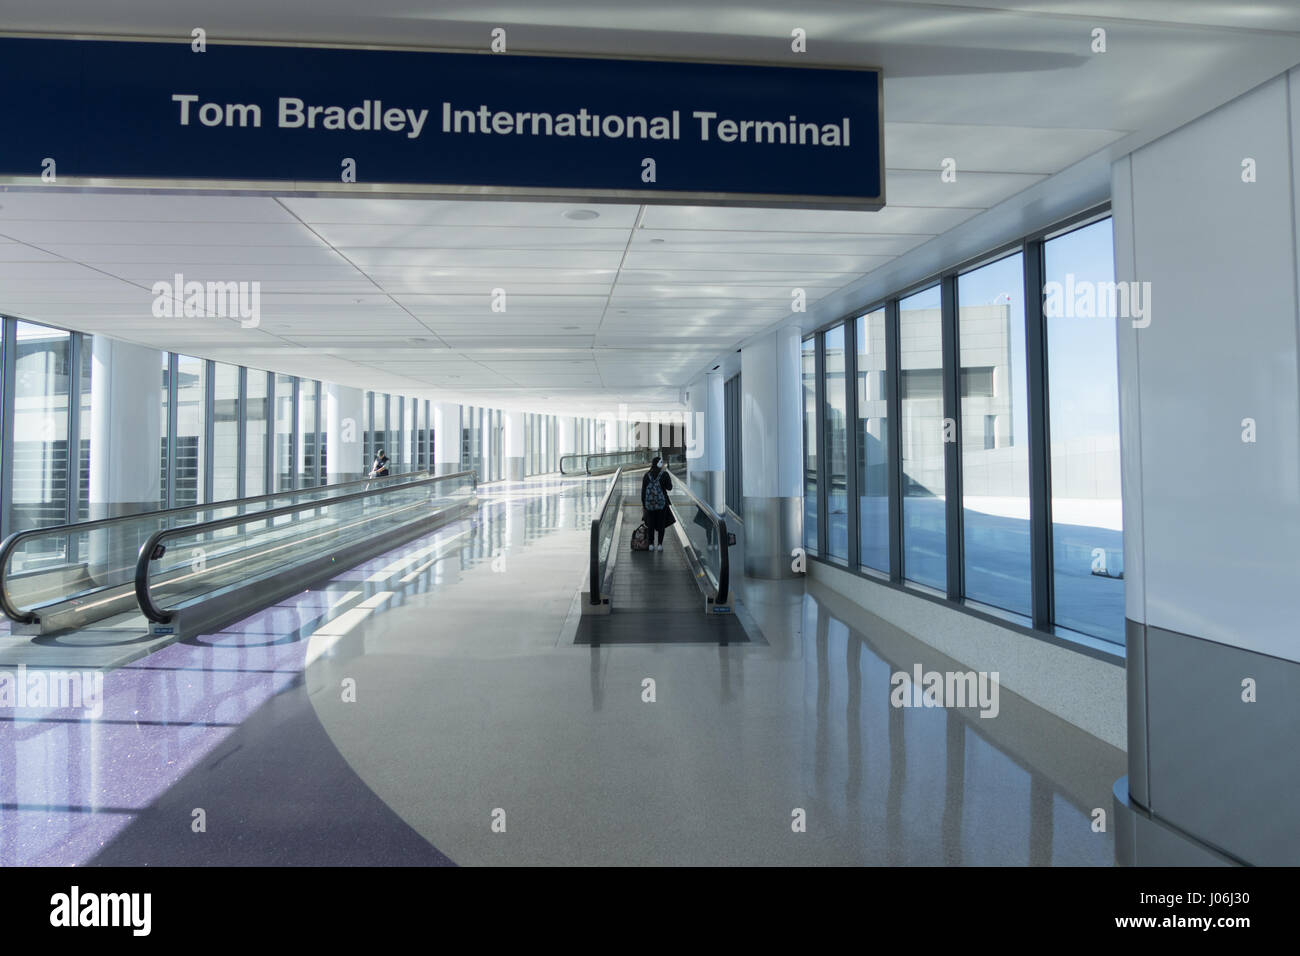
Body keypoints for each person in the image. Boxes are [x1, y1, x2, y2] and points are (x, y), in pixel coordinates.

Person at [641, 456, 674, 551]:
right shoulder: (664, 474)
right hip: (662, 504)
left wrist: (644, 505)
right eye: (662, 462)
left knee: (650, 523)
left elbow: (643, 492)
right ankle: (659, 544)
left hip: (650, 505)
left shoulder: (647, 475)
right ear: (659, 464)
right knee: (661, 523)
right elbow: (669, 488)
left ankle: (651, 544)